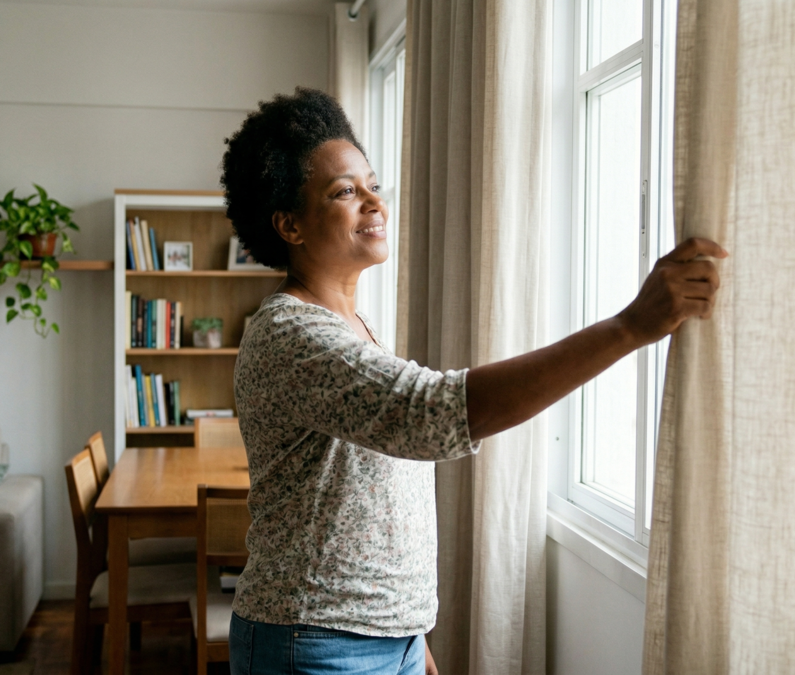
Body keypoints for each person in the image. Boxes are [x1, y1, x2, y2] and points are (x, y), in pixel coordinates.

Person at [222, 88, 725, 675]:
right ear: (289, 224)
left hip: (379, 637)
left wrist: (410, 634)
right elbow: (426, 414)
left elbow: (369, 495)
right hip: (313, 643)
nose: (374, 203)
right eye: (344, 192)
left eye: (372, 184)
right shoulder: (291, 333)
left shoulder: (353, 325)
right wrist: (630, 327)